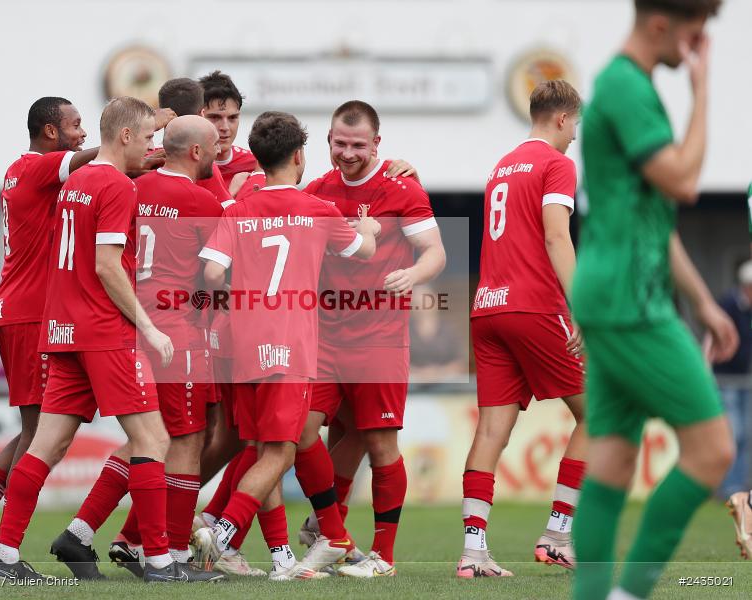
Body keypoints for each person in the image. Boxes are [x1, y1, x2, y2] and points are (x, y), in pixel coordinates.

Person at [0, 96, 220, 584]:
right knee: (153, 438)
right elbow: (107, 265)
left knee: (45, 445)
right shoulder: (114, 184)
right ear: (128, 136)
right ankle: (158, 561)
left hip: (63, 329)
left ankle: (3, 557)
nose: (153, 148)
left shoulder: (77, 181)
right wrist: (148, 328)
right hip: (105, 331)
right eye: (148, 138)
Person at [571, 2, 738, 599]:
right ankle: (630, 593)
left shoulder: (625, 85)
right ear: (662, 24)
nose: (697, 47)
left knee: (612, 462)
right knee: (713, 451)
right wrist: (702, 91)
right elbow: (683, 182)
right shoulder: (625, 85)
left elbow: (652, 222)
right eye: (695, 33)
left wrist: (703, 303)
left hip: (616, 295)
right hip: (628, 303)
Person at [194, 111, 380, 580]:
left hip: (242, 341)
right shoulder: (317, 211)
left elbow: (212, 273)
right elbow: (363, 253)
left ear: (258, 159)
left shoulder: (238, 210)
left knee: (261, 447)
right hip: (290, 345)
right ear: (299, 156)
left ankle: (281, 558)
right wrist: (370, 231)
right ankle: (218, 535)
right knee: (281, 453)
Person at [51, 115, 231, 579]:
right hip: (176, 332)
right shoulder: (202, 200)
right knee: (187, 441)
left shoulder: (134, 185)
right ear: (195, 152)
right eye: (213, 143)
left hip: (132, 321)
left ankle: (83, 531)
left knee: (147, 439)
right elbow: (221, 268)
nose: (218, 151)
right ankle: (172, 553)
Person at [0, 97, 103, 576]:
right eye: (75, 125)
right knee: (42, 436)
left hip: (21, 310)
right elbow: (88, 160)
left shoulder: (24, 171)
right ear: (50, 133)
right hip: (30, 314)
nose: (83, 133)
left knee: (36, 433)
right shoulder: (37, 168)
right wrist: (124, 135)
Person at [298, 100, 446, 578]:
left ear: (376, 144)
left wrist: (414, 273)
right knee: (300, 433)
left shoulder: (402, 189)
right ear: (328, 140)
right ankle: (329, 525)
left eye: (358, 145)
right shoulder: (317, 192)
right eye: (340, 143)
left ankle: (382, 557)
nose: (347, 153)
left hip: (380, 340)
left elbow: (436, 252)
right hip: (324, 339)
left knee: (380, 445)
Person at [458, 80, 586, 578]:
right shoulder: (557, 163)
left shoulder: (502, 165)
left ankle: (473, 552)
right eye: (574, 124)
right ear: (560, 118)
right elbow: (557, 234)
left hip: (487, 307)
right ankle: (556, 534)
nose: (575, 135)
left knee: (491, 430)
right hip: (534, 306)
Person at [715, 261, 752, 499]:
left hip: (746, 380)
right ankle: (728, 486)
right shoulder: (727, 305)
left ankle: (737, 486)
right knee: (734, 433)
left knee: (747, 434)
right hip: (726, 378)